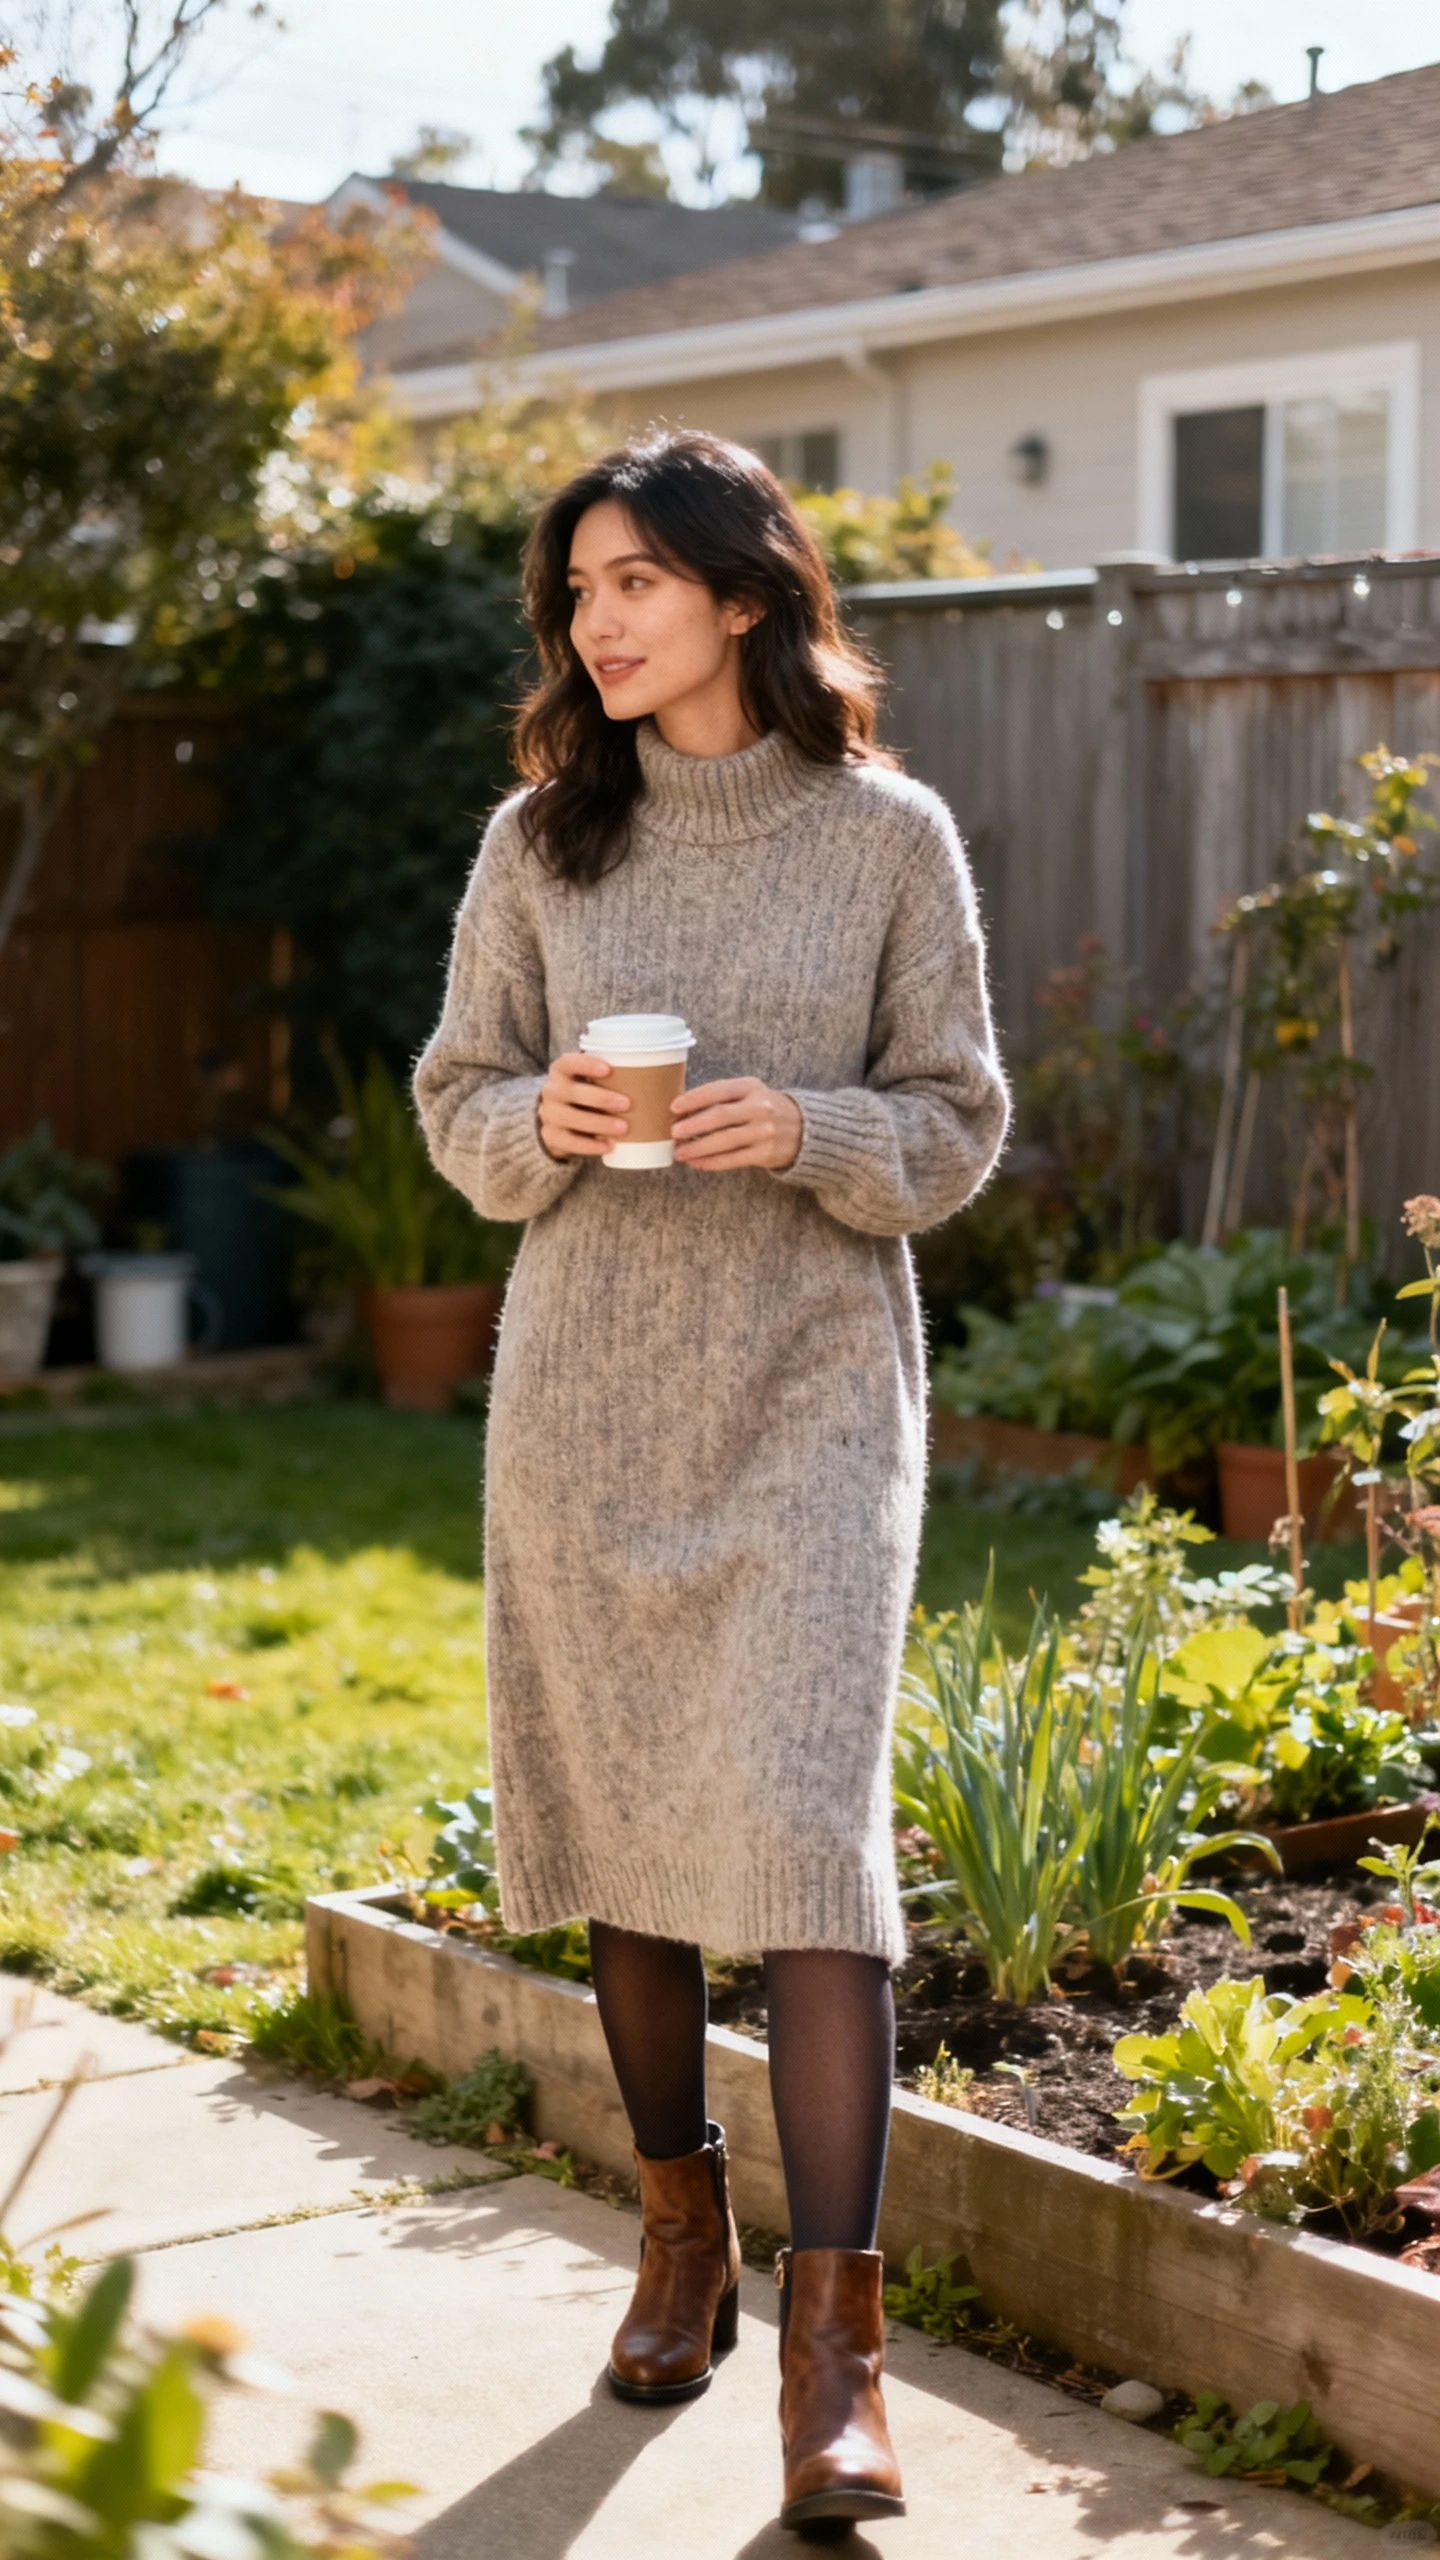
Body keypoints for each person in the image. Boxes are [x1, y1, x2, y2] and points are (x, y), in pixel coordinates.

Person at [414, 428, 1008, 2532]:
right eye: (577, 589)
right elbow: (456, 1097)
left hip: (813, 1407)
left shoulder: (888, 838)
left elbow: (955, 1120)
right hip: (586, 1403)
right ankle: (684, 2241)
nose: (600, 620)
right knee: (638, 1831)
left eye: (637, 579)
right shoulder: (538, 846)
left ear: (746, 594)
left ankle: (840, 2360)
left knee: (802, 1831)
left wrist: (819, 1133)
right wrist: (550, 1114)